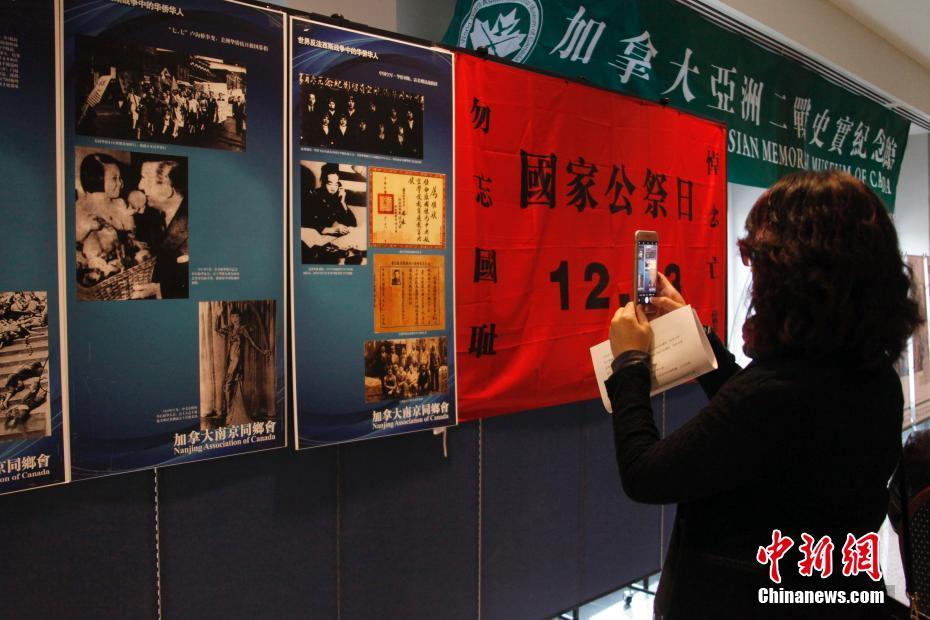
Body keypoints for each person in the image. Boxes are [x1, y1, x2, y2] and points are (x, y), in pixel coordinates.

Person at [605, 170, 920, 618]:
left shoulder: (779, 392)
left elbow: (646, 473)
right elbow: (760, 430)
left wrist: (630, 364)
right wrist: (698, 336)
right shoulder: (871, 377)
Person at [131, 159, 188, 299]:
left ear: (167, 188)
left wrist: (161, 289)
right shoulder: (155, 217)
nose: (140, 186)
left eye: (145, 178)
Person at [210, 309, 269, 421]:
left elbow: (252, 343)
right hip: (230, 359)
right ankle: (231, 411)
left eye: (237, 316)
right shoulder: (229, 329)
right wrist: (217, 316)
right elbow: (216, 329)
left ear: (240, 318)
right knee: (229, 385)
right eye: (233, 316)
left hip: (236, 359)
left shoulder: (243, 329)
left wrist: (263, 351)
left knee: (227, 384)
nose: (235, 319)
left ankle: (229, 413)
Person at [299, 163, 359, 264]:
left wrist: (343, 202)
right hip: (311, 236)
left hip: (325, 239)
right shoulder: (313, 196)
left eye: (336, 184)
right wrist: (330, 230)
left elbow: (352, 223)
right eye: (330, 183)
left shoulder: (336, 199)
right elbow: (306, 222)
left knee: (355, 233)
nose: (333, 188)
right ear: (323, 182)